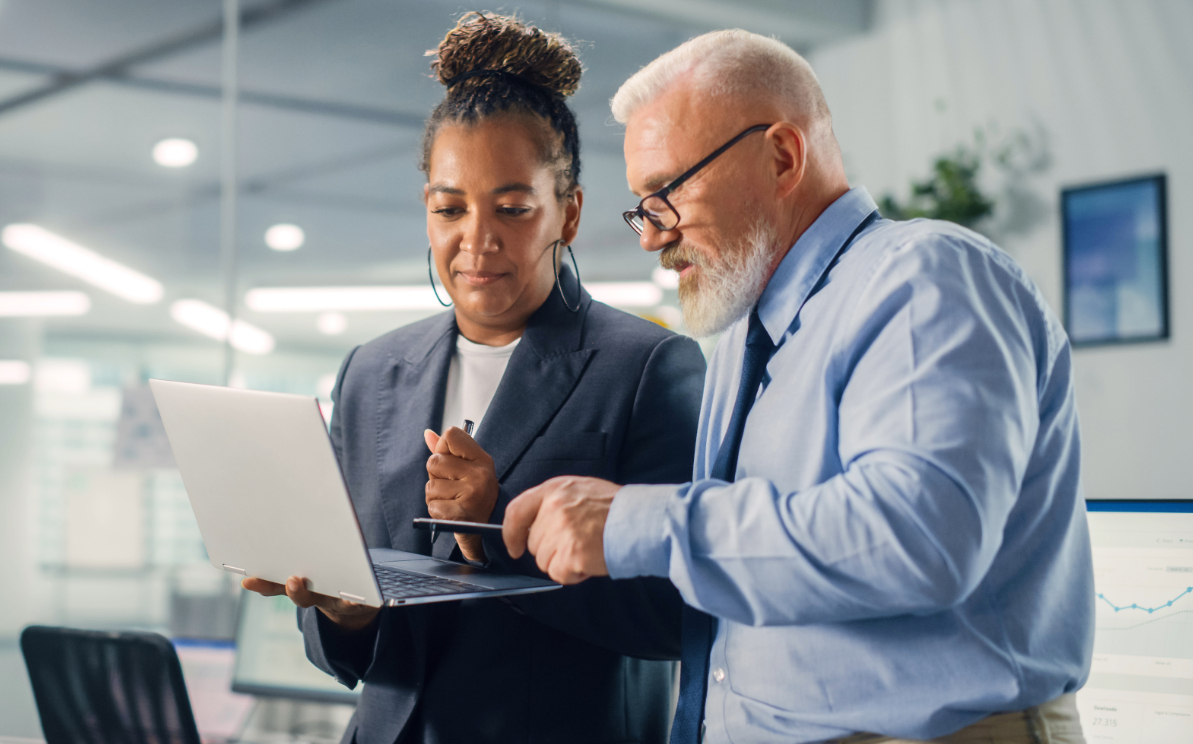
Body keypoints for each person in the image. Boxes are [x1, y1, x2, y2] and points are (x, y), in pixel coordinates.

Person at [502, 29, 1095, 744]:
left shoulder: (922, 277)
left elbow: (912, 539)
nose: (650, 235)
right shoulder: (739, 345)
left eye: (666, 192)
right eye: (642, 203)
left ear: (781, 156)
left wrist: (631, 522)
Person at [243, 13, 706, 744]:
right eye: (449, 209)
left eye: (513, 209)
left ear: (570, 213)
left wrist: (496, 529)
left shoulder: (646, 366)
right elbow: (348, 647)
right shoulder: (372, 371)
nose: (477, 240)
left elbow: (676, 615)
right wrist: (343, 609)